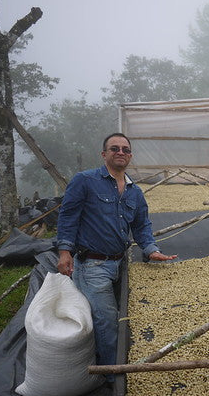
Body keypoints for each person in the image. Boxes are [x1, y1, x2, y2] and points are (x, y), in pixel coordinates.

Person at [57, 133, 177, 378]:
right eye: (114, 148)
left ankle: (115, 367)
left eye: (125, 149)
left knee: (123, 316)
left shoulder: (135, 193)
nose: (120, 152)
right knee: (108, 321)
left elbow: (142, 226)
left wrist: (151, 250)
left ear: (130, 156)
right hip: (92, 263)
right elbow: (68, 216)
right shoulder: (85, 181)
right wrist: (64, 251)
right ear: (104, 154)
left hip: (120, 262)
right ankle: (113, 378)